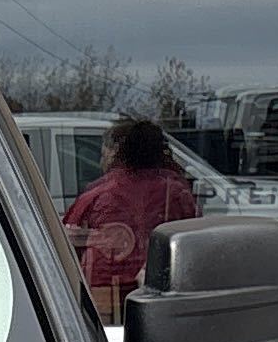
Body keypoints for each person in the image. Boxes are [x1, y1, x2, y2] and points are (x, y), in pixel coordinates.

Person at [61, 114, 201, 317]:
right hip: (165, 301)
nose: (102, 160)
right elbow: (194, 243)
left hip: (106, 299)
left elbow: (66, 238)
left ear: (117, 152)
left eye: (104, 153)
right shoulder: (178, 192)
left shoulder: (100, 193)